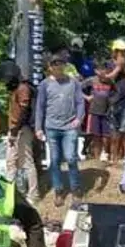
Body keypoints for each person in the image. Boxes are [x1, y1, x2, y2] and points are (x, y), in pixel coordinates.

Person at [35, 55, 86, 206]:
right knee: (55, 160)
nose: (58, 67)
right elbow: (40, 107)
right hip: (51, 127)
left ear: (64, 66)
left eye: (61, 65)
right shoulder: (44, 84)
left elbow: (80, 102)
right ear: (50, 67)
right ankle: (58, 190)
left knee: (71, 158)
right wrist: (38, 127)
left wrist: (79, 118)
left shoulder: (73, 82)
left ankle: (76, 189)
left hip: (69, 126)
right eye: (55, 65)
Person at [4, 66, 39, 199]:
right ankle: (10, 193)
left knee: (26, 162)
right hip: (16, 128)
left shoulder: (22, 88)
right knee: (12, 162)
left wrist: (14, 131)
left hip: (21, 129)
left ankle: (33, 194)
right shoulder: (17, 88)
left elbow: (23, 111)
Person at [81, 67, 114, 161]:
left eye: (105, 70)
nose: (103, 72)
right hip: (94, 111)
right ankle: (96, 157)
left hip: (106, 112)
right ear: (96, 71)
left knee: (106, 135)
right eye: (100, 70)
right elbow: (77, 89)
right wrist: (87, 97)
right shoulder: (91, 80)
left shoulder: (111, 81)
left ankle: (105, 153)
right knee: (95, 135)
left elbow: (116, 93)